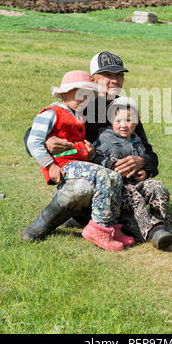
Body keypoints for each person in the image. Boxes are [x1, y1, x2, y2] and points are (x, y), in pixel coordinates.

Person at [23, 51, 159, 241]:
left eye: (119, 75)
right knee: (81, 189)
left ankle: (91, 221)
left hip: (122, 186)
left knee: (142, 204)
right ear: (93, 79)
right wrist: (46, 142)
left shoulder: (125, 111)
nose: (115, 80)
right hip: (86, 179)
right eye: (108, 75)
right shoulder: (81, 104)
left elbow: (150, 153)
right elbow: (33, 133)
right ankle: (43, 225)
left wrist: (143, 163)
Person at [21, 70, 133, 251]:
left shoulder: (78, 115)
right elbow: (34, 140)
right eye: (79, 93)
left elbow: (75, 144)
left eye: (88, 94)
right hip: (63, 166)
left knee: (114, 177)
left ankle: (112, 227)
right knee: (104, 176)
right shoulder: (52, 113)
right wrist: (49, 165)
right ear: (64, 93)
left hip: (77, 164)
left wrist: (87, 151)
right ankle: (99, 229)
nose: (84, 98)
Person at [93, 96, 172, 250]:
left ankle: (162, 224)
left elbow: (147, 158)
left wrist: (145, 172)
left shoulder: (137, 139)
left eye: (128, 120)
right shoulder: (105, 138)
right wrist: (111, 165)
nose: (123, 125)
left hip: (138, 183)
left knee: (158, 187)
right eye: (118, 121)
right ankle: (150, 230)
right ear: (111, 121)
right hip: (120, 189)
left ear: (137, 120)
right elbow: (95, 158)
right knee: (135, 198)